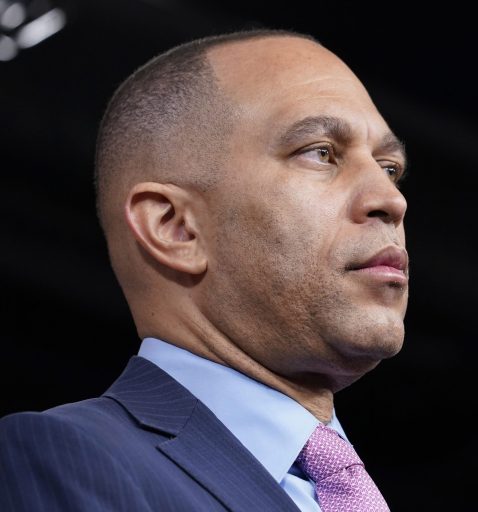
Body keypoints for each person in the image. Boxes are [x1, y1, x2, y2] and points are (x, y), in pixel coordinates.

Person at [0, 28, 409, 511]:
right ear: (175, 228)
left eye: (388, 168)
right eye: (320, 152)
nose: (391, 199)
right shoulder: (64, 457)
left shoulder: (343, 488)